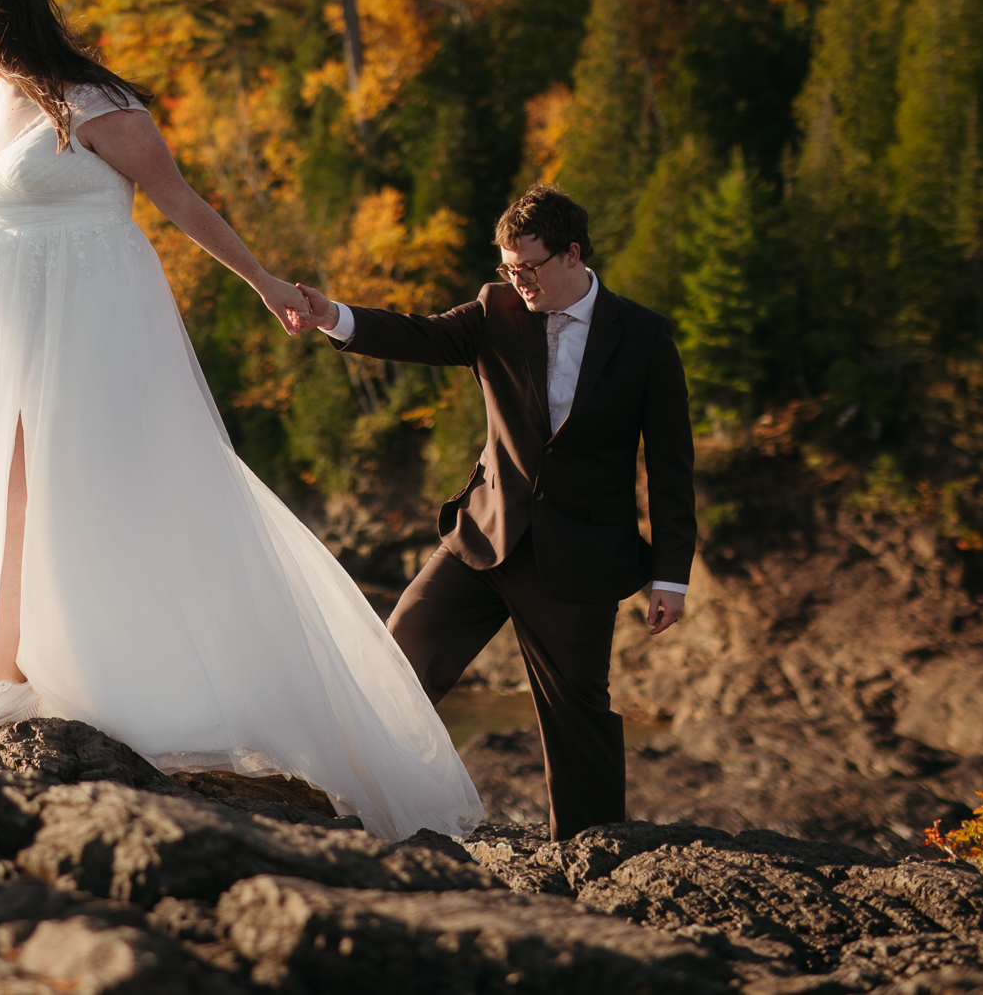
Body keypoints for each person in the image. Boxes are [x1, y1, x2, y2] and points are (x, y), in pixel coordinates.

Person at [0, 0, 481, 840]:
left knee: (90, 491)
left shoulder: (100, 107)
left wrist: (266, 282)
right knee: (0, 491)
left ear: (9, 21)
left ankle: (154, 682)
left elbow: (180, 201)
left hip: (92, 312)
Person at [292, 184, 696, 840]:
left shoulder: (645, 336)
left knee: (579, 718)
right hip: (483, 537)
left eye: (528, 267)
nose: (517, 280)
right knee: (398, 662)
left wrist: (671, 575)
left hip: (580, 560)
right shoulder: (495, 309)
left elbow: (673, 465)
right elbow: (419, 335)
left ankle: (594, 857)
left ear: (573, 254)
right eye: (508, 267)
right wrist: (332, 315)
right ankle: (341, 805)